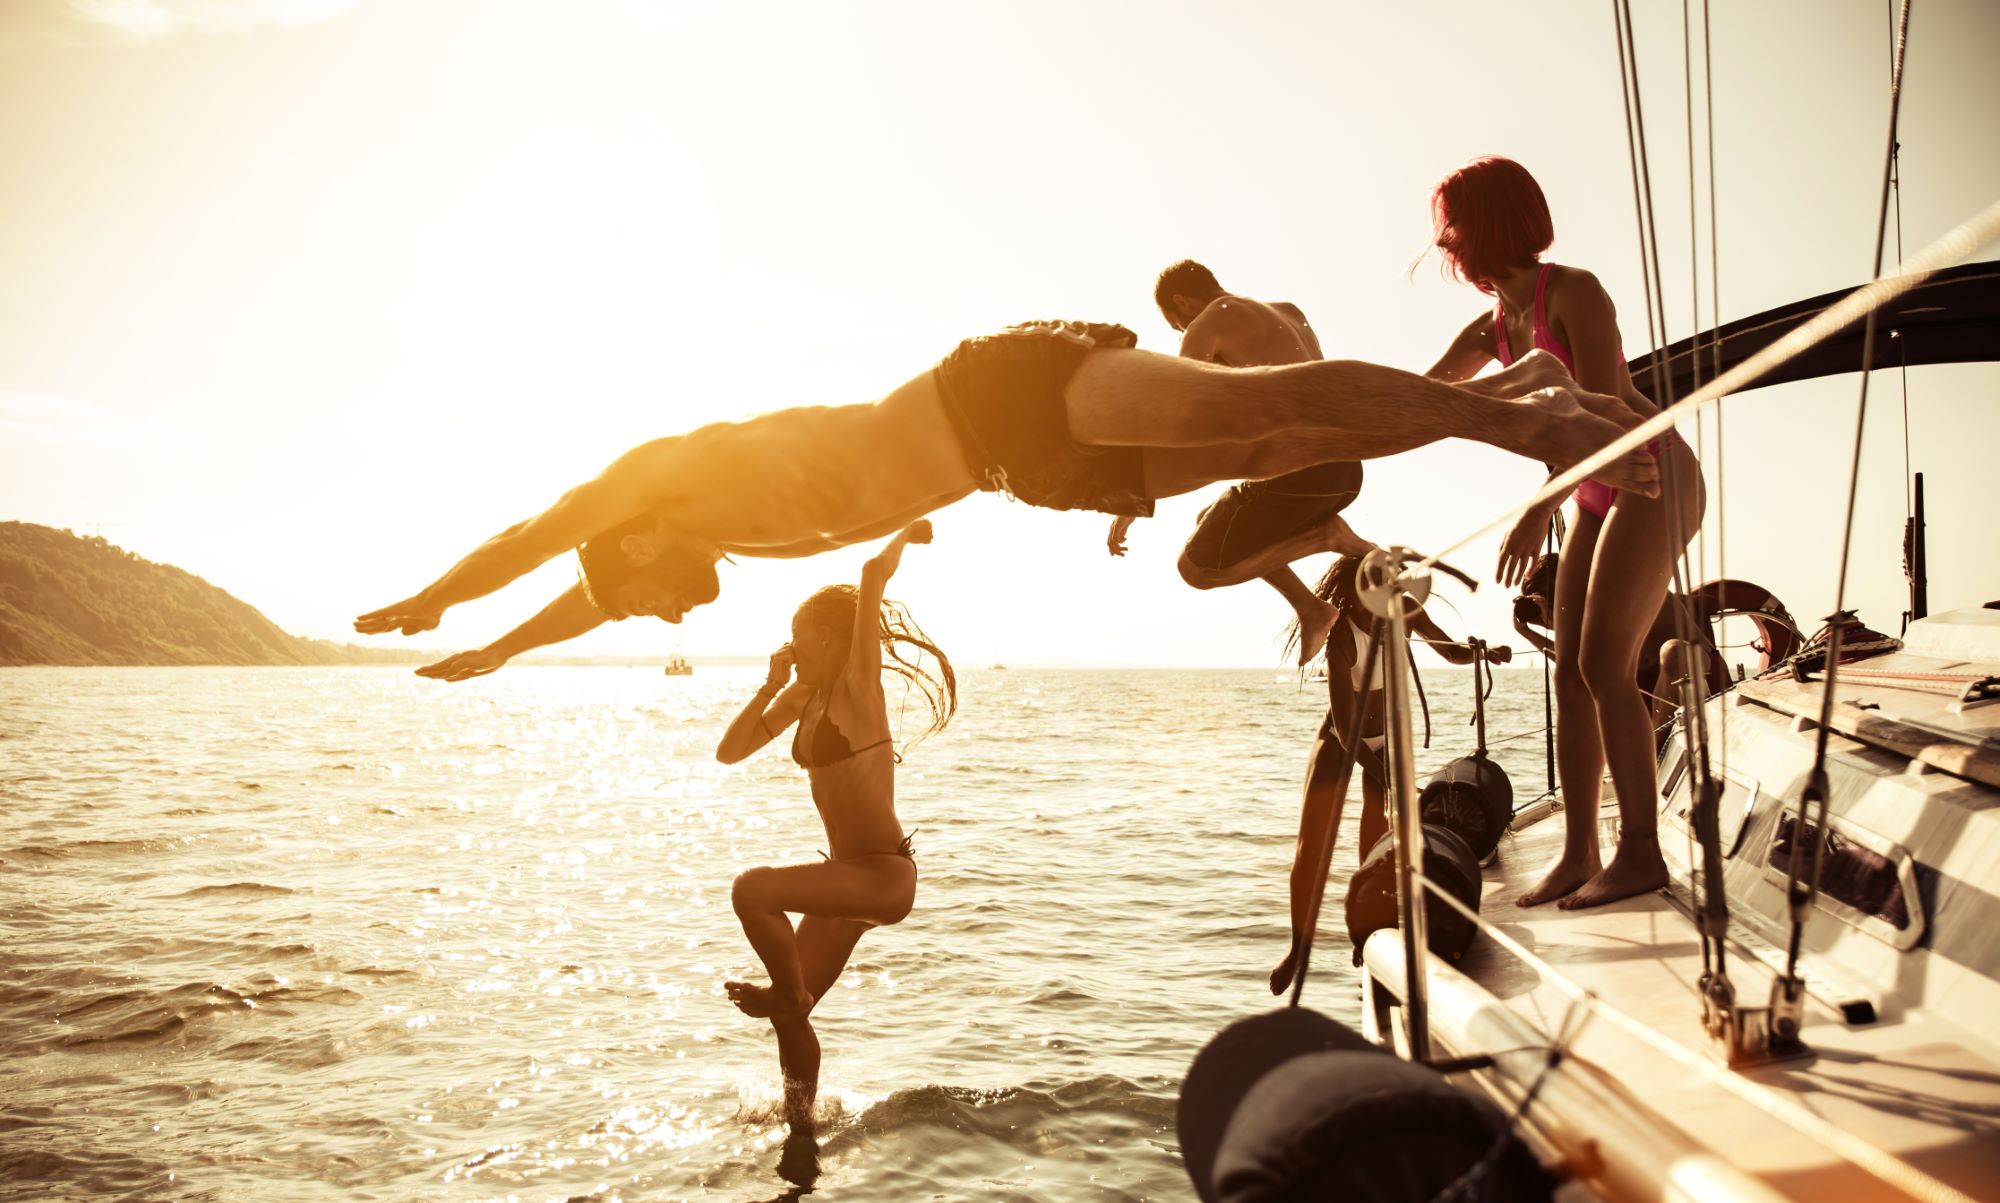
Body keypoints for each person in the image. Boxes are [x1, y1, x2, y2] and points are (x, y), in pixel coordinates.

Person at [355, 317, 1659, 650]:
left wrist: (439, 594)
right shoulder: (748, 545)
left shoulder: (664, 476)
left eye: (642, 600)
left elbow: (545, 535)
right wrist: (494, 654)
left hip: (999, 395)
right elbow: (583, 598)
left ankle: (1518, 418)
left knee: (1265, 406)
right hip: (1020, 468)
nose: (662, 614)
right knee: (1281, 454)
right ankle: (1523, 391)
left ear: (631, 544)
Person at [1423, 156, 1705, 910]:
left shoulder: (1575, 292)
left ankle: (1640, 852)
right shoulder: (1492, 328)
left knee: (1606, 662)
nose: (1445, 244)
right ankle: (1581, 851)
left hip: (1650, 475)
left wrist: (1536, 508)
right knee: (1570, 676)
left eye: (1452, 227)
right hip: (1588, 492)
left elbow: (1600, 422)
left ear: (1489, 223)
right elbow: (1424, 393)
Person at [711, 520, 951, 1130]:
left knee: (752, 890)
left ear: (824, 639)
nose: (791, 648)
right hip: (848, 878)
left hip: (883, 876)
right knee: (790, 1017)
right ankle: (801, 1129)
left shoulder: (857, 686)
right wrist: (772, 684)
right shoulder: (803, 697)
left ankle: (786, 991)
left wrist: (906, 532)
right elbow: (729, 752)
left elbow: (871, 574)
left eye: (798, 638)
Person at [1105, 261, 1374, 665]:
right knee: (1209, 521)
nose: (1181, 332)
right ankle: (1310, 608)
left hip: (1301, 473)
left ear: (1182, 302)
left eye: (1176, 325)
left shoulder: (1207, 325)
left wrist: (1137, 497)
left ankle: (1325, 538)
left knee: (1195, 569)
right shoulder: (1289, 312)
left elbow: (1179, 422)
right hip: (1346, 468)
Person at [1268, 554, 1503, 995]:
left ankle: (1366, 931)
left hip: (1386, 738)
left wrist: (1482, 653)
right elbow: (1345, 728)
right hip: (1342, 741)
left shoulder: (1406, 611)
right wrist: (1385, 774)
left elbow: (1448, 650)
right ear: (1359, 587)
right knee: (1311, 844)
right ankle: (1299, 948)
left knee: (1375, 838)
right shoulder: (1341, 635)